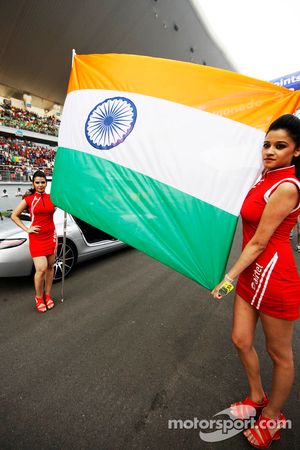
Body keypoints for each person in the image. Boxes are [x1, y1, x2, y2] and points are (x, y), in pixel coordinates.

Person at [211, 114, 300, 449]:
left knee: (279, 354)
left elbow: (261, 241)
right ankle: (257, 397)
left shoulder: (287, 187)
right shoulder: (262, 178)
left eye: (280, 146)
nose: (270, 151)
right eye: (266, 144)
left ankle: (273, 417)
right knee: (240, 339)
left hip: (273, 275)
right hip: (251, 272)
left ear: (297, 151)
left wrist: (228, 277)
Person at [11, 170, 57, 313]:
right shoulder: (29, 199)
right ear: (33, 183)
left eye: (43, 182)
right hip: (37, 238)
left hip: (51, 236)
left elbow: (61, 206)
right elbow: (14, 215)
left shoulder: (52, 197)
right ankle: (38, 297)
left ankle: (47, 295)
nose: (40, 185)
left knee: (50, 267)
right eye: (37, 182)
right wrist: (27, 229)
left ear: (46, 183)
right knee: (41, 269)